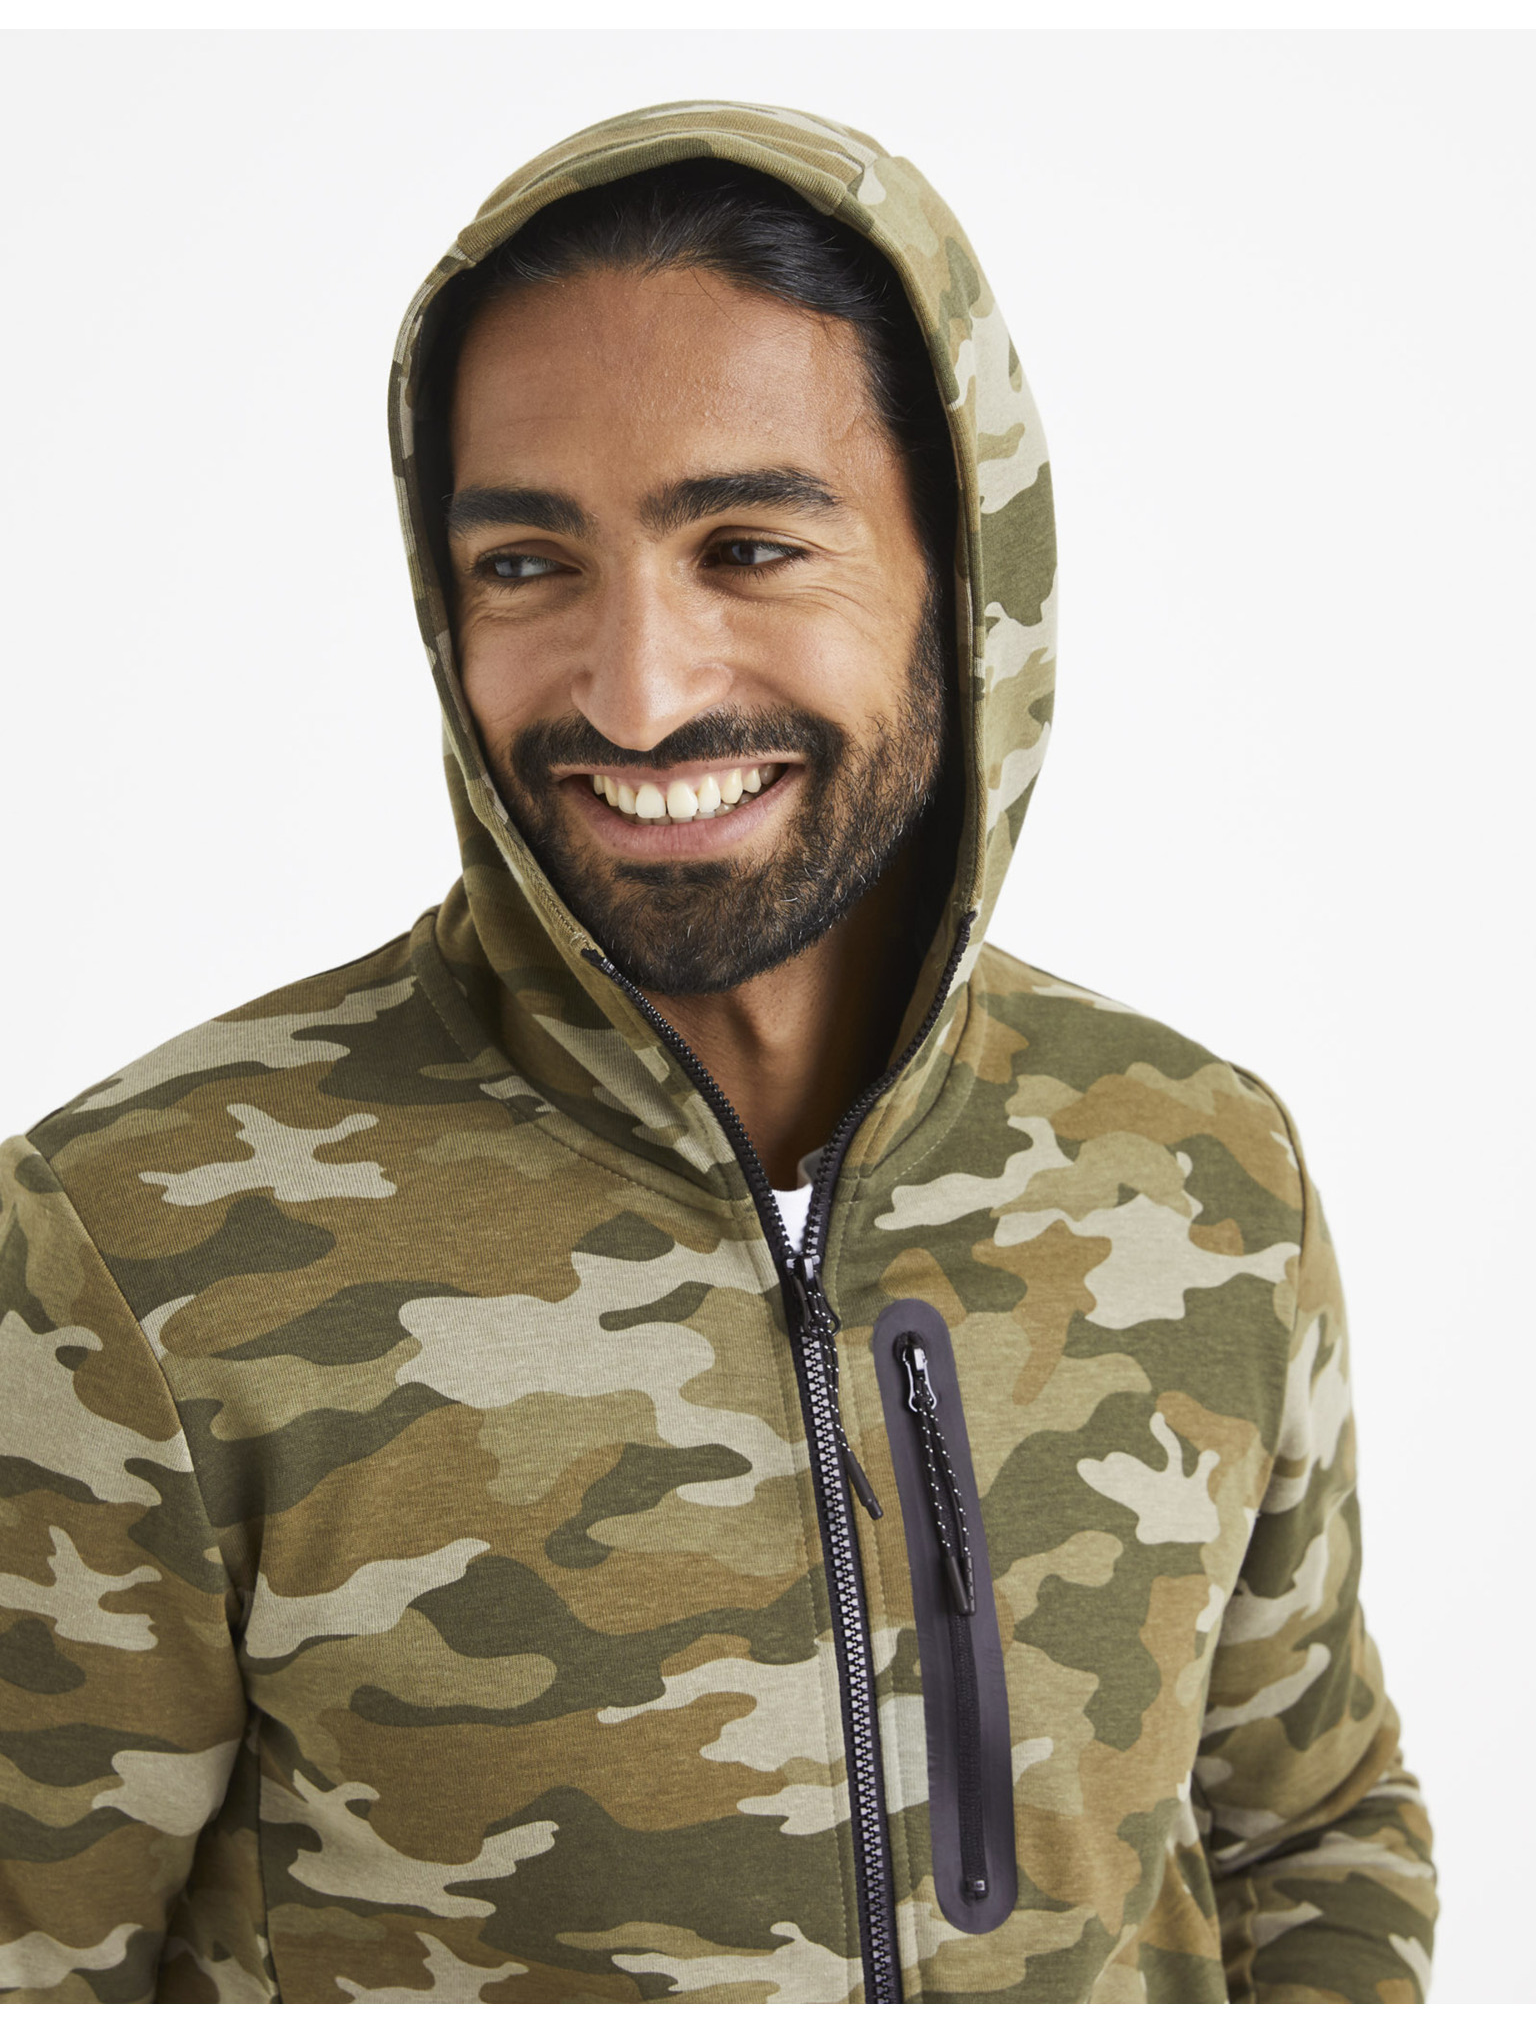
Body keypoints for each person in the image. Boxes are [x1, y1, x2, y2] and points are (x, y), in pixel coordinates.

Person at [0, 101, 1436, 2006]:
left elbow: (1309, 1832)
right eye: (529, 565)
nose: (638, 692)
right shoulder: (134, 1240)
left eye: (748, 547)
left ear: (968, 580)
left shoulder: (1200, 1168)